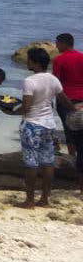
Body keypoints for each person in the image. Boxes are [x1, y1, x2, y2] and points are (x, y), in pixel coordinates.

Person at [17, 47, 71, 208]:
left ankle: (29, 200)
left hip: (32, 125)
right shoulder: (53, 79)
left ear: (35, 62)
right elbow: (63, 100)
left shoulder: (29, 81)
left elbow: (26, 107)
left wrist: (11, 111)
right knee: (48, 162)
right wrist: (75, 109)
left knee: (31, 163)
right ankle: (45, 199)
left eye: (29, 59)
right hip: (49, 125)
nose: (27, 62)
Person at [52, 32, 83, 191]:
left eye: (57, 43)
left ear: (64, 43)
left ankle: (74, 169)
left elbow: (55, 83)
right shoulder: (82, 57)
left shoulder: (59, 60)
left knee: (70, 136)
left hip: (67, 101)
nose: (56, 46)